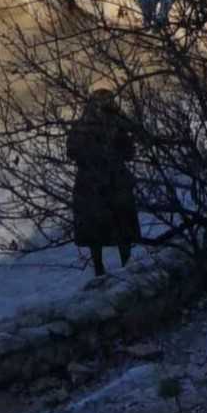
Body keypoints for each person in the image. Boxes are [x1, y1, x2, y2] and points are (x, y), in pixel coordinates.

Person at [69, 90, 139, 280]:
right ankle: (125, 265)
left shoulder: (80, 126)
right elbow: (129, 153)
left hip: (89, 183)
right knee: (121, 223)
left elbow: (72, 152)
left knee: (96, 229)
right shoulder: (116, 124)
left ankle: (100, 269)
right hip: (112, 180)